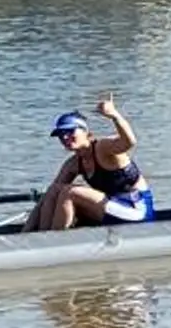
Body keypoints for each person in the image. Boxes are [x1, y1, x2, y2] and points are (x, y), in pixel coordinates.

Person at [23, 94, 153, 232]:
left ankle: (52, 241)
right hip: (111, 207)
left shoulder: (103, 148)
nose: (65, 137)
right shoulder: (72, 164)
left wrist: (114, 116)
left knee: (70, 192)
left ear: (85, 132)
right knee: (55, 190)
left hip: (136, 210)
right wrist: (25, 232)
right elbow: (48, 197)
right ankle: (39, 238)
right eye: (61, 134)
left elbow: (129, 142)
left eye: (70, 131)